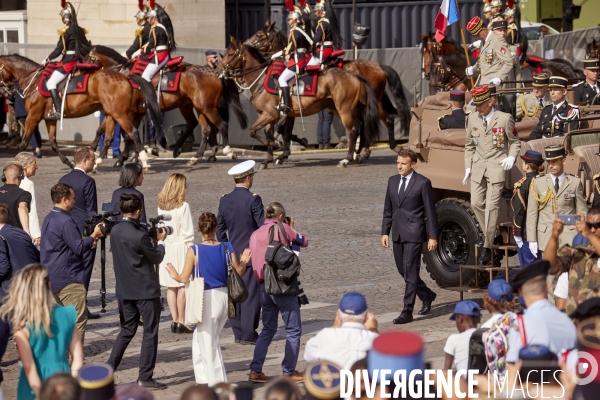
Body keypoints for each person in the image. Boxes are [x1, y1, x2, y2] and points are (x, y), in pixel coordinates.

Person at [166, 212, 250, 385]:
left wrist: (174, 275)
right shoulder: (227, 247)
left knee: (209, 344)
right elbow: (238, 272)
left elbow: (183, 278)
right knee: (200, 338)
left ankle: (217, 384)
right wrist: (244, 261)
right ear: (216, 228)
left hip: (206, 299)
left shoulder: (194, 250)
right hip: (224, 298)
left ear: (199, 228)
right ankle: (203, 378)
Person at [107, 193, 167, 390]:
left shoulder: (115, 231)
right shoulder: (139, 235)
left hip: (125, 289)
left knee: (127, 330)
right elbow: (156, 258)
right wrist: (162, 242)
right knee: (150, 332)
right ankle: (145, 376)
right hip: (145, 290)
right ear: (138, 211)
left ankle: (109, 368)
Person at [0, 263, 84, 400]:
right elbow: (78, 358)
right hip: (62, 381)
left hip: (32, 386)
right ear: (49, 285)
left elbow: (29, 366)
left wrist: (40, 395)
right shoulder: (67, 314)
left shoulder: (22, 324)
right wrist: (72, 384)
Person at [248, 202, 308, 383]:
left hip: (263, 286)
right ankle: (289, 371)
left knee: (267, 329)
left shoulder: (255, 234)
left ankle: (255, 370)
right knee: (293, 329)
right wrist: (292, 229)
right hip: (282, 286)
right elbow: (303, 241)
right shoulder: (282, 228)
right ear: (281, 216)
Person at [463, 85, 520, 265]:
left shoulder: (504, 119)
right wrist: (467, 168)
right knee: (476, 203)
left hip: (496, 168)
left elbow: (514, 142)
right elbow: (469, 145)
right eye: (476, 104)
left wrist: (511, 156)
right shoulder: (472, 119)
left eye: (481, 104)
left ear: (491, 101)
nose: (478, 108)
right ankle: (493, 234)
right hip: (479, 168)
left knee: (492, 208)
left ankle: (487, 247)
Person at [41, 183, 104, 342]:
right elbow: (78, 248)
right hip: (68, 277)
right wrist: (94, 236)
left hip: (53, 274)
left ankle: (64, 352)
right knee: (78, 319)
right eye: (72, 199)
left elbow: (62, 242)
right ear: (64, 199)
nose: (74, 202)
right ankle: (74, 358)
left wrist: (86, 240)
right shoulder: (65, 220)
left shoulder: (50, 217)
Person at [382, 149, 439, 324]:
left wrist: (433, 236)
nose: (399, 166)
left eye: (403, 163)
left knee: (411, 270)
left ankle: (407, 311)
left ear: (412, 164)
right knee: (403, 270)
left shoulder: (422, 183)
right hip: (398, 233)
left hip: (415, 233)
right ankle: (427, 294)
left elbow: (431, 212)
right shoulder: (392, 181)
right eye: (398, 162)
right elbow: (388, 209)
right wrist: (385, 231)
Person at [217, 160, 264, 345]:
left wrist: (227, 248)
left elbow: (220, 230)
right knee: (250, 294)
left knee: (234, 293)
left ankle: (237, 333)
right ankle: (249, 333)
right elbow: (261, 228)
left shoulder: (224, 199)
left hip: (231, 253)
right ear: (248, 179)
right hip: (249, 254)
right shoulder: (253, 199)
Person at [505, 260, 577, 363]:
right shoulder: (568, 321)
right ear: (547, 287)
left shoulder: (520, 324)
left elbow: (513, 367)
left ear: (520, 292)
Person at [58, 146, 99, 318]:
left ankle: (68, 303)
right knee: (85, 268)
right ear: (84, 161)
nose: (94, 163)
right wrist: (93, 235)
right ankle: (81, 307)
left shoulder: (63, 178)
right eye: (92, 160)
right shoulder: (88, 181)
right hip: (84, 231)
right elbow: (91, 211)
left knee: (71, 267)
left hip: (66, 229)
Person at [526, 145, 586, 255]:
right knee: (550, 271)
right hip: (546, 237)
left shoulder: (574, 182)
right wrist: (532, 239)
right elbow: (532, 213)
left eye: (554, 162)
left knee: (569, 271)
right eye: (548, 162)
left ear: (563, 161)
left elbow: (582, 211)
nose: (550, 166)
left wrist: (584, 234)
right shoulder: (538, 183)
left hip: (569, 237)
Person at [156, 173, 195, 333]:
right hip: (181, 247)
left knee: (171, 287)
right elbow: (188, 232)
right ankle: (182, 320)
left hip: (166, 247)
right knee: (182, 285)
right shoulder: (183, 206)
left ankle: (174, 319)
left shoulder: (161, 206)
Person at [544, 207, 600, 315]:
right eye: (589, 225)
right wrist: (554, 236)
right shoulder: (576, 251)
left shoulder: (590, 235)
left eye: (597, 226)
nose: (593, 230)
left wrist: (588, 233)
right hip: (577, 324)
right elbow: (549, 266)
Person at [304, 292, 378, 369]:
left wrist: (334, 328)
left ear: (338, 315)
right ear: (367, 316)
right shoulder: (373, 338)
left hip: (333, 380)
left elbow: (309, 357)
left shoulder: (324, 336)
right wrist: (373, 330)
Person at [43, 2, 91, 120]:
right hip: (78, 61)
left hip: (69, 62)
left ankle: (59, 111)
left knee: (50, 83)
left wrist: (48, 58)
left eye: (62, 17)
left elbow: (58, 50)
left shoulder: (66, 31)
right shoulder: (79, 30)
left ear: (65, 17)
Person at [273, 8, 312, 116]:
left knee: (282, 79)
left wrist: (278, 54)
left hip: (297, 62)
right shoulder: (299, 31)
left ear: (295, 20)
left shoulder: (296, 32)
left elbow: (289, 48)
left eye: (290, 20)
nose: (289, 22)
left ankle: (286, 105)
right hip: (296, 59)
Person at [511, 150, 545, 268]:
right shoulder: (545, 182)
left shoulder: (522, 185)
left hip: (526, 232)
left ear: (526, 165)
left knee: (527, 268)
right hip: (543, 232)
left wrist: (517, 232)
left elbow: (519, 210)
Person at [0, 204, 40, 300]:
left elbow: (3, 267)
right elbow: (38, 256)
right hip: (31, 284)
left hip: (11, 291)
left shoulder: (1, 236)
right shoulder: (21, 232)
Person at [465, 16, 514, 88]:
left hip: (494, 84)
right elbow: (483, 62)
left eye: (477, 35)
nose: (477, 38)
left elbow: (508, 62)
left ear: (484, 30)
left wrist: (499, 77)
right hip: (484, 83)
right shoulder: (483, 42)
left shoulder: (497, 41)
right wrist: (473, 69)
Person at [528, 76, 580, 140]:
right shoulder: (546, 109)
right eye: (551, 90)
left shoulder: (572, 111)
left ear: (564, 92)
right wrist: (528, 142)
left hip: (559, 146)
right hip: (542, 143)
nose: (552, 93)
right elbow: (538, 131)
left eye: (555, 90)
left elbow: (568, 136)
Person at [137, 3, 175, 82]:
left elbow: (150, 44)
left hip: (160, 55)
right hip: (163, 53)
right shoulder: (161, 27)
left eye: (148, 18)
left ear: (153, 18)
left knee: (144, 77)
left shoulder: (156, 28)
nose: (147, 20)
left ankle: (150, 94)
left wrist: (143, 53)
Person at [443, 300, 481, 374]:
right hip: (485, 382)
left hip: (464, 383)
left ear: (460, 319)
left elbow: (446, 371)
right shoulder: (486, 336)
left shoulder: (453, 339)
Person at [8, 82, 42, 157]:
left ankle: (36, 149)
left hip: (21, 111)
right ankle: (38, 146)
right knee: (35, 129)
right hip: (31, 110)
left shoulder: (15, 86)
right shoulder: (29, 84)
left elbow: (10, 98)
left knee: (29, 131)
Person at [15, 152, 41, 246]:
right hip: (25, 230)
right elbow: (31, 209)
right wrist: (36, 234)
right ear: (25, 165)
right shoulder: (28, 183)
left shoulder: (11, 180)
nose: (36, 167)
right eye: (34, 164)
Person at [0, 161, 31, 233]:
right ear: (21, 176)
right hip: (15, 236)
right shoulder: (23, 194)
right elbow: (22, 208)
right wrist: (27, 232)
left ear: (4, 177)